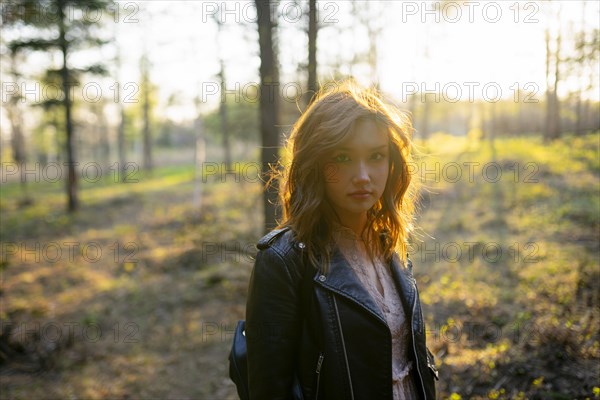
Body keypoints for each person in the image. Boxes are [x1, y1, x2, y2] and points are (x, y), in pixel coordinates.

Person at [245, 81, 438, 400]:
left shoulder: (388, 240)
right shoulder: (283, 261)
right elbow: (269, 390)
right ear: (316, 164)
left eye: (376, 156)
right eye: (343, 158)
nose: (363, 175)